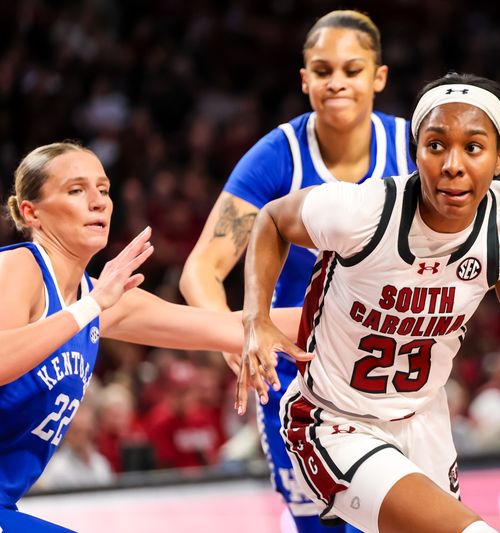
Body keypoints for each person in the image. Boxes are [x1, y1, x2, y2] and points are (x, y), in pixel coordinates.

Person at [237, 73, 500, 533]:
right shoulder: (364, 212)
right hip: (334, 422)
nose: (452, 164)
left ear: (498, 160)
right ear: (417, 153)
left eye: (473, 148)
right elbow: (271, 220)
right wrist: (258, 316)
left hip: (423, 422)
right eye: (435, 146)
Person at [179, 10, 412, 532]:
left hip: (385, 367)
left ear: (378, 77)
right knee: (321, 525)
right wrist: (235, 338)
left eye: (352, 70)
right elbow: (201, 270)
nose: (337, 82)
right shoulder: (276, 156)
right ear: (304, 79)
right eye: (322, 70)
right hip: (296, 374)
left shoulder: (413, 150)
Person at [0, 141, 305, 533]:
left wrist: (351, 309)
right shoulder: (19, 267)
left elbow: (235, 326)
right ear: (31, 212)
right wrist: (90, 307)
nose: (98, 202)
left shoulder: (104, 299)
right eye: (77, 190)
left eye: (104, 190)